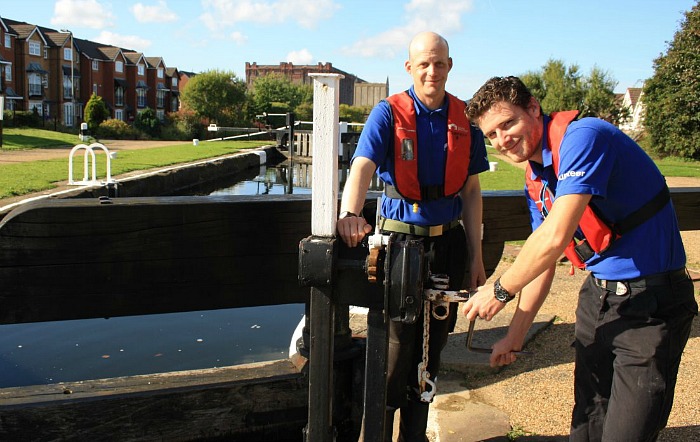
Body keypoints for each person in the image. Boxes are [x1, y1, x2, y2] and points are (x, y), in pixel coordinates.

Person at [462, 76, 698, 441]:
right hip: (597, 301)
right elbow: (543, 255)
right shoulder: (537, 175)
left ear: (534, 108)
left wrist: (499, 290)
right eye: (491, 134)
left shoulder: (584, 137)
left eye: (507, 123)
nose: (501, 140)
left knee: (627, 432)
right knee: (586, 427)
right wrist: (514, 335)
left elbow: (556, 237)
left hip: (651, 303)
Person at [336, 31, 488, 441]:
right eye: (423, 63)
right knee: (396, 351)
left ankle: (415, 437)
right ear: (410, 67)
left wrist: (475, 256)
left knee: (432, 350)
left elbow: (471, 191)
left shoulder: (464, 118)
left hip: (448, 247)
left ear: (449, 66)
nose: (431, 71)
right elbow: (362, 167)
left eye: (439, 63)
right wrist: (350, 213)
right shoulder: (389, 113)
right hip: (400, 247)